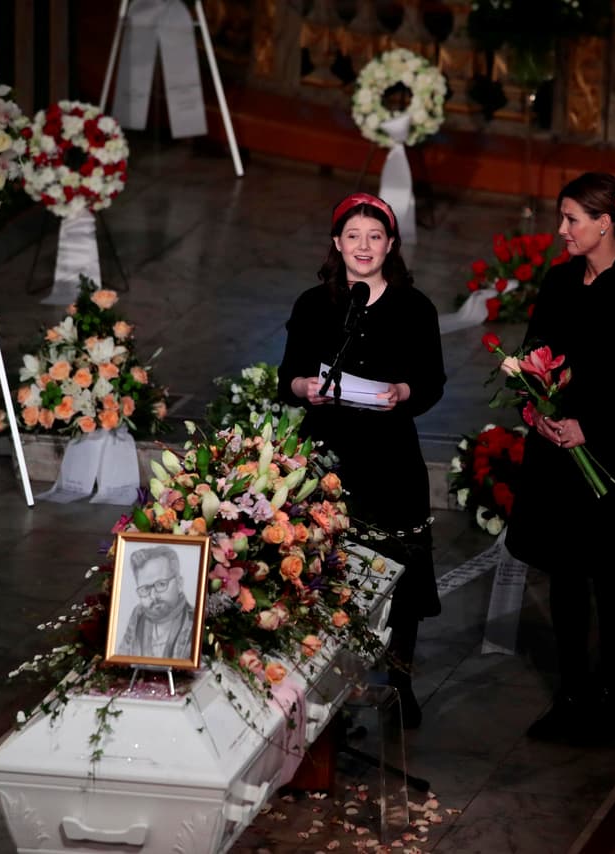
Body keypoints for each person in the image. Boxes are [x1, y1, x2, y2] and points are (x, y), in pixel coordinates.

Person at [504, 173, 615, 745]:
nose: (562, 230)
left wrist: (589, 426)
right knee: (565, 571)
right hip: (556, 449)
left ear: (605, 222)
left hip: (607, 454)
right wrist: (539, 409)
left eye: (572, 219)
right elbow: (534, 356)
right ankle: (572, 690)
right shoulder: (557, 284)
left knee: (608, 574)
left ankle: (608, 690)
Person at [278, 192, 446, 728]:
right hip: (327, 451)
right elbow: (290, 376)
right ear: (337, 243)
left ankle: (399, 683)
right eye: (354, 236)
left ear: (391, 244)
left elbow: (432, 381)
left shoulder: (414, 308)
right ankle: (322, 682)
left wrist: (402, 390)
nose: (364, 245)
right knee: (324, 570)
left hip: (389, 455)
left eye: (375, 236)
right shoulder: (313, 304)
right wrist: (306, 386)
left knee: (397, 573)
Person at [120, 545, 196, 660]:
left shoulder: (195, 620)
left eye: (161, 584)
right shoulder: (138, 616)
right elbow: (122, 658)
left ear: (179, 584)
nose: (153, 596)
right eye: (145, 589)